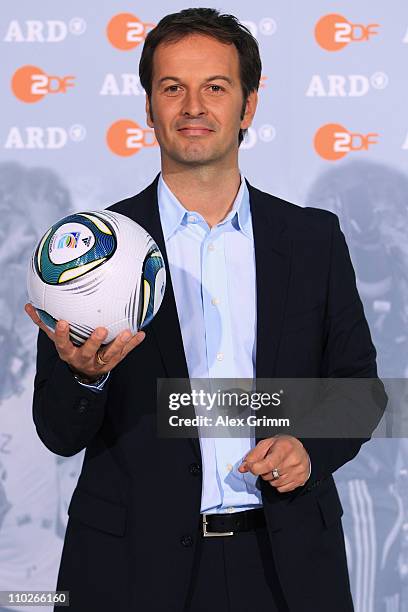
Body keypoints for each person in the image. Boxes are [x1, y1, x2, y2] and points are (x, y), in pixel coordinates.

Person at [25, 8, 385, 612]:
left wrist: (310, 446)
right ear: (149, 107)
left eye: (215, 87)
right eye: (173, 88)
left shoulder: (312, 239)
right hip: (131, 570)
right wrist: (86, 375)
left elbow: (361, 389)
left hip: (288, 567)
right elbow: (59, 434)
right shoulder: (92, 251)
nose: (193, 106)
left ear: (247, 107)